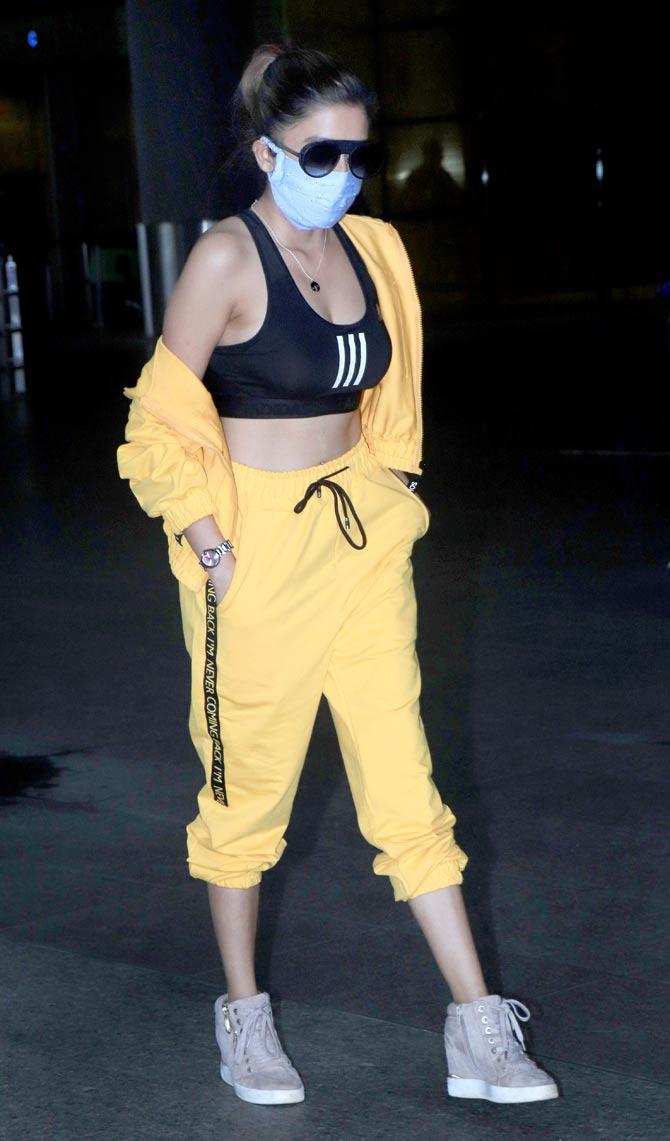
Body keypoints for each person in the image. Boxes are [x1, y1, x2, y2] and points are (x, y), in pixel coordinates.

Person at [117, 43, 559, 1109]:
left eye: (360, 153)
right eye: (323, 154)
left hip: (360, 536)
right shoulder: (226, 260)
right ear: (268, 151)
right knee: (245, 796)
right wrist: (213, 551)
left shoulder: (375, 248)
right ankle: (244, 1016)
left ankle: (476, 1026)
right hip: (255, 548)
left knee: (406, 780)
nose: (346, 173)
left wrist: (390, 484)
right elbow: (156, 425)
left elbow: (387, 396)